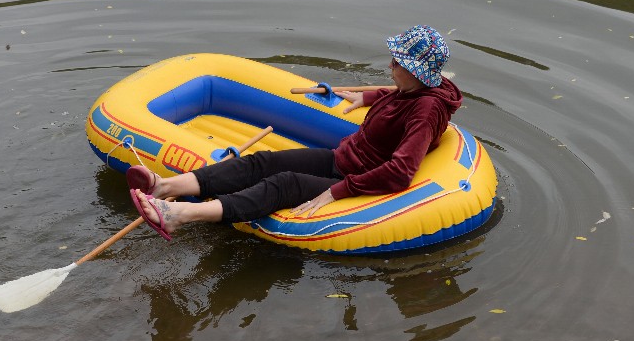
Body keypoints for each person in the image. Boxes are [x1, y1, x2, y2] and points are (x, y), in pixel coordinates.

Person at [128, 25, 462, 241]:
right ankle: (165, 187)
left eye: (398, 62)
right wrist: (369, 97)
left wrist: (339, 191)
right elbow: (402, 96)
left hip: (361, 178)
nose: (390, 65)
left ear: (417, 72)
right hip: (345, 158)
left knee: (284, 184)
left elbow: (401, 172)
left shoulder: (427, 110)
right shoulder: (418, 89)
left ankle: (180, 215)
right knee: (260, 161)